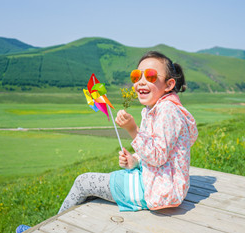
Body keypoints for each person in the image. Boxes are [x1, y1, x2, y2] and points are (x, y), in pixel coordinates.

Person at [16, 51, 198, 232]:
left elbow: (158, 156)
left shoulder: (167, 111)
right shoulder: (159, 108)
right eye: (136, 76)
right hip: (157, 181)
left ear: (169, 84)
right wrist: (135, 161)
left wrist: (132, 130)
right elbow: (164, 152)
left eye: (150, 75)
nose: (141, 81)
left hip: (158, 190)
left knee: (84, 182)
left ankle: (47, 230)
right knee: (93, 185)